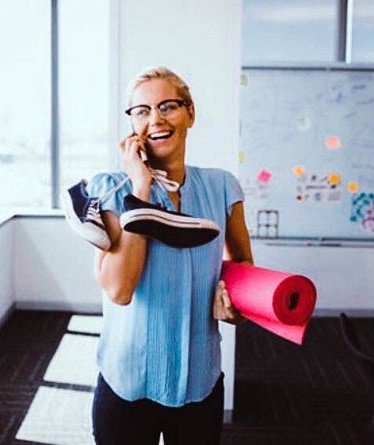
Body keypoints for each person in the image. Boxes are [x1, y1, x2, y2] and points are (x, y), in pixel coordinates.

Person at [86, 66, 254, 445]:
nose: (155, 119)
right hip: (128, 381)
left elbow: (243, 265)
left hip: (200, 379)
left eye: (168, 107)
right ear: (131, 125)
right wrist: (140, 188)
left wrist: (235, 303)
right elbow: (119, 289)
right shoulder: (111, 189)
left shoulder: (222, 186)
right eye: (141, 111)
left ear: (190, 113)